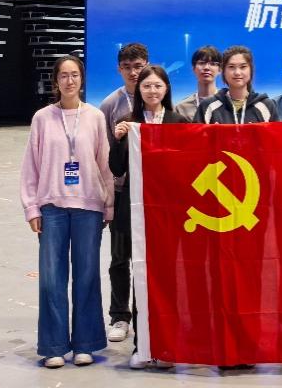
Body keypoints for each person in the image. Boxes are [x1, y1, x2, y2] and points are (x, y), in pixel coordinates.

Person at [20, 55, 114, 368]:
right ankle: (54, 346)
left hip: (88, 208)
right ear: (56, 81)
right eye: (64, 75)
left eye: (74, 75)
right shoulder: (42, 118)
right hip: (52, 209)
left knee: (86, 277)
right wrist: (32, 207)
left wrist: (108, 205)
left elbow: (104, 165)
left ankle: (86, 343)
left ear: (82, 79)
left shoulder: (95, 117)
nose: (69, 81)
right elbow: (31, 166)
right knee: (51, 279)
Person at [109, 64, 188, 369]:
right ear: (139, 91)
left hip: (168, 214)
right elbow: (117, 169)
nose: (152, 91)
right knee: (139, 274)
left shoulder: (179, 123)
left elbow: (188, 169)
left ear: (166, 89)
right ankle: (142, 346)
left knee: (165, 278)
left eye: (157, 85)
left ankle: (166, 346)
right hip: (135, 211)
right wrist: (118, 139)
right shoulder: (129, 123)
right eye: (147, 86)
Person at [99, 42, 148, 343]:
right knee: (120, 257)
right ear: (119, 69)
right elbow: (104, 155)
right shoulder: (109, 105)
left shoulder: (154, 99)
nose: (133, 72)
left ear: (147, 66)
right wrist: (108, 197)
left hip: (150, 194)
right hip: (121, 193)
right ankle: (119, 316)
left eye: (138, 66)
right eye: (127, 67)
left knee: (147, 259)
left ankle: (145, 314)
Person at [195, 45, 279, 124]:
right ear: (223, 71)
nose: (237, 72)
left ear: (251, 70)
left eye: (243, 67)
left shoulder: (266, 105)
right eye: (231, 67)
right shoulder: (207, 106)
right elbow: (196, 135)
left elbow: (275, 135)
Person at [174, 45, 221, 122]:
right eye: (201, 63)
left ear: (220, 70)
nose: (206, 67)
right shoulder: (181, 108)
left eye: (212, 64)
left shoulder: (228, 103)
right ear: (193, 68)